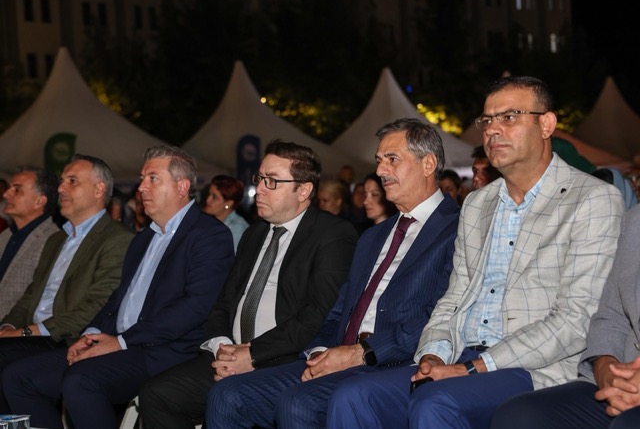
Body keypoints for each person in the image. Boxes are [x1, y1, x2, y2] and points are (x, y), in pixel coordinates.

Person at [325, 76, 625, 429]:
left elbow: (575, 319)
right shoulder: (478, 204)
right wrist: (433, 354)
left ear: (546, 124)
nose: (493, 129)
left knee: (435, 402)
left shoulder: (591, 199)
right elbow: (454, 298)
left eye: (509, 117)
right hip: (462, 354)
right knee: (354, 396)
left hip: (533, 367)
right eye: (487, 120)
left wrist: (473, 368)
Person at [207, 117, 460, 429]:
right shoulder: (373, 236)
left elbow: (441, 315)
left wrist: (361, 353)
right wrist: (318, 352)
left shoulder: (456, 228)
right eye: (379, 160)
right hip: (340, 355)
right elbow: (338, 310)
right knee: (227, 395)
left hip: (393, 361)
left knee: (298, 403)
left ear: (428, 164)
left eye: (392, 159)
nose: (380, 170)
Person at [2, 146, 235, 429]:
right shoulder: (144, 238)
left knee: (81, 380)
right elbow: (118, 299)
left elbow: (195, 307)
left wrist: (122, 341)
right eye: (142, 178)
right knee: (18, 377)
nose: (141, 187)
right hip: (123, 343)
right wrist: (90, 334)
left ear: (182, 186)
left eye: (152, 178)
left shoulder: (209, 235)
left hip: (166, 350)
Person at [138, 140, 359, 429]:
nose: (260, 189)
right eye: (260, 178)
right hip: (232, 353)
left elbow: (317, 315)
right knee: (156, 394)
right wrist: (222, 346)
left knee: (226, 396)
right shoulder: (254, 234)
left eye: (272, 181)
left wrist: (252, 354)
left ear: (303, 190)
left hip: (285, 358)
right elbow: (224, 301)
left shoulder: (332, 234)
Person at [0, 155, 134, 413]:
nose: (61, 188)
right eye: (62, 181)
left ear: (99, 190)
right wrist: (8, 326)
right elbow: (31, 296)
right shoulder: (56, 240)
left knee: (11, 369)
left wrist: (25, 332)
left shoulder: (118, 239)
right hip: (35, 337)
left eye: (72, 181)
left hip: (69, 338)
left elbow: (97, 305)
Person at [490, 203, 640, 429]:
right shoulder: (636, 220)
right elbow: (612, 315)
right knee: (518, 416)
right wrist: (607, 369)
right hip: (623, 381)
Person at [0, 166, 59, 319]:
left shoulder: (53, 241)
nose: (6, 194)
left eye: (17, 190)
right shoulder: (6, 235)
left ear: (39, 201)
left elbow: (44, 304)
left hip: (16, 328)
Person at [204, 175, 249, 251]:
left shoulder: (237, 228)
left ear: (228, 203)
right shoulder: (210, 222)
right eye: (209, 194)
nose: (208, 200)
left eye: (214, 197)